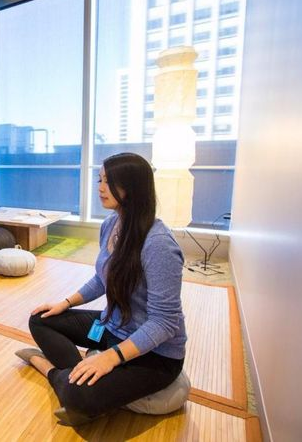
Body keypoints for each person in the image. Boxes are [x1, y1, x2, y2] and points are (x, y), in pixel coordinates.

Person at [15, 152, 187, 426]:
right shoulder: (110, 225)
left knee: (80, 398)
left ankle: (47, 368)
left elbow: (164, 322)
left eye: (109, 181)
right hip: (112, 327)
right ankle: (79, 374)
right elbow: (101, 278)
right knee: (40, 319)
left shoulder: (159, 244)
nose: (100, 187)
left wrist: (111, 358)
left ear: (133, 187)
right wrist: (66, 303)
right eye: (100, 179)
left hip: (155, 355)